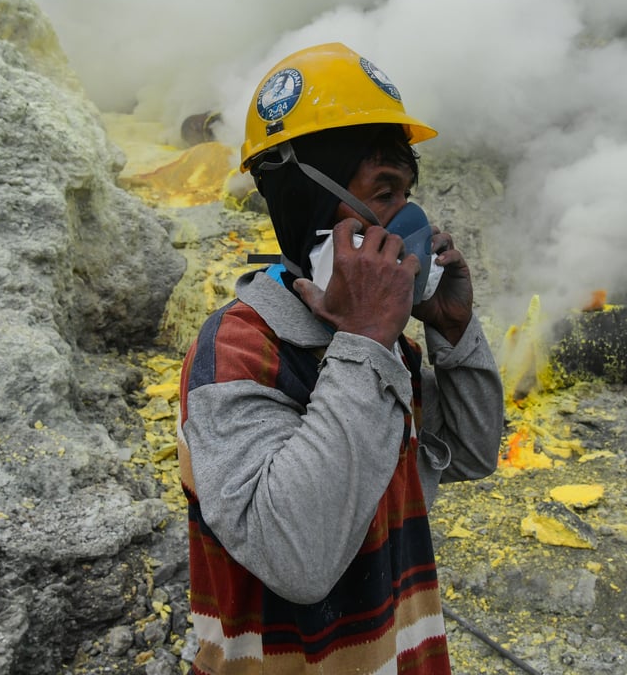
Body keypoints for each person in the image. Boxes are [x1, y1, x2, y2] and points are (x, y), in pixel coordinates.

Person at [178, 42, 505, 674]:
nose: (409, 222)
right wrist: (366, 339)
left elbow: (470, 454)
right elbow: (297, 559)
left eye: (408, 193)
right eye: (383, 192)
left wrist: (455, 334)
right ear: (307, 202)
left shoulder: (384, 349)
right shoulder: (238, 351)